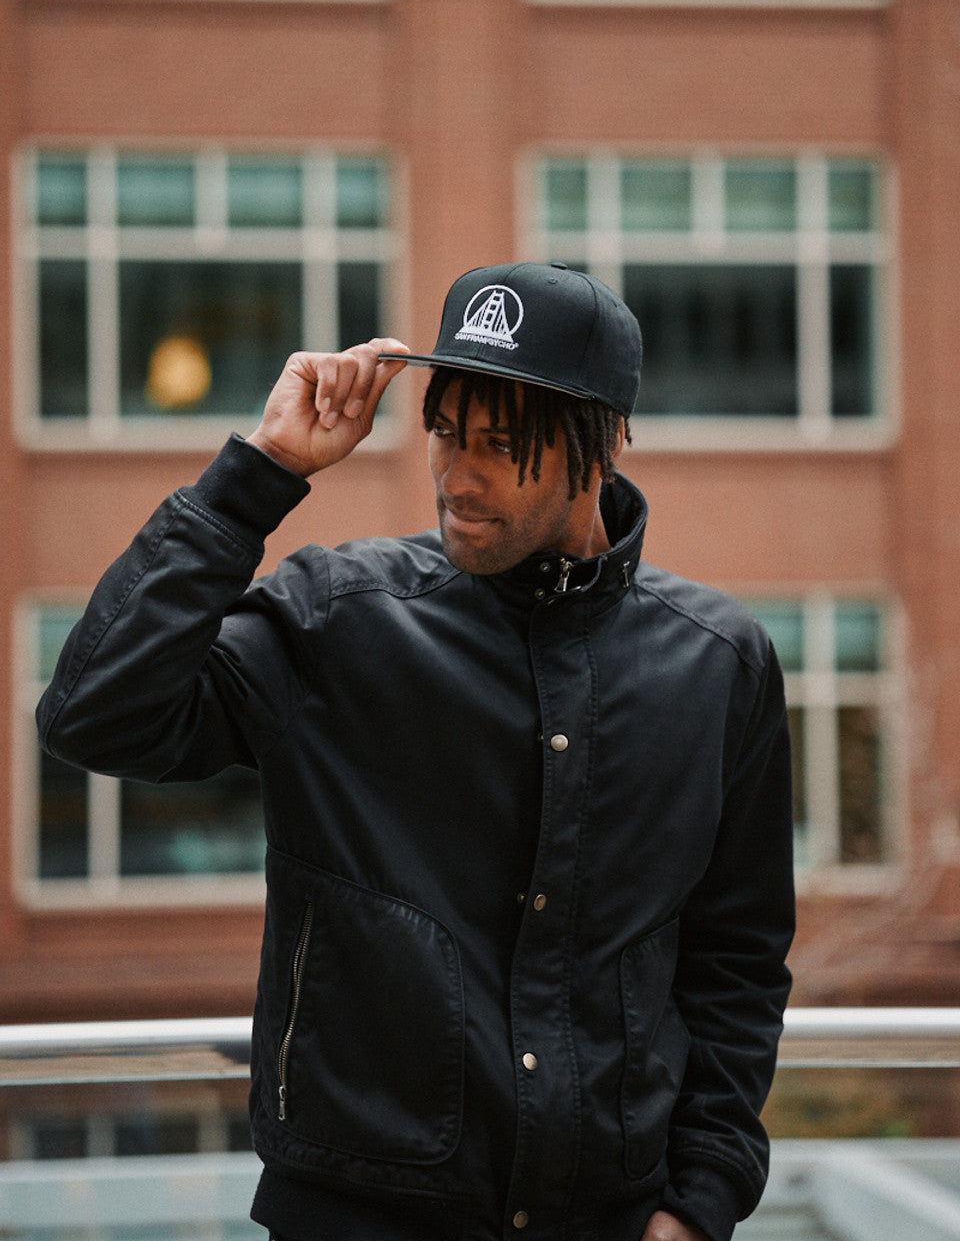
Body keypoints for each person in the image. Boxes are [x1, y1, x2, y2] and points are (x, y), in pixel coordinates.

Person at [37, 262, 794, 1241]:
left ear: (603, 443)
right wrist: (258, 475)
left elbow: (738, 962)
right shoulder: (336, 620)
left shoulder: (719, 663)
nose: (458, 472)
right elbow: (92, 713)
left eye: (502, 442)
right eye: (447, 431)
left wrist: (698, 1203)